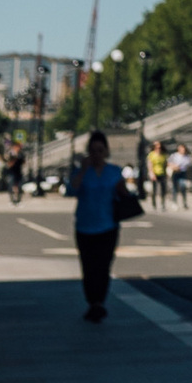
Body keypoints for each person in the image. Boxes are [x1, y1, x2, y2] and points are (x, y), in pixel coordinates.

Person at [71, 131, 128, 321]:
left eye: (100, 150)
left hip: (108, 226)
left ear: (106, 151)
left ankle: (99, 303)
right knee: (88, 267)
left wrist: (123, 191)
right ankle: (92, 301)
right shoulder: (81, 171)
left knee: (104, 266)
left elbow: (123, 194)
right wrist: (82, 170)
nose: (96, 154)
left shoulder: (114, 171)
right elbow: (72, 189)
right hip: (85, 226)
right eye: (93, 150)